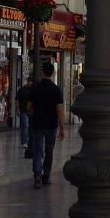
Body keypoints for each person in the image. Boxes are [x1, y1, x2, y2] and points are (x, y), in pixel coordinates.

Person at [27, 61, 65, 189]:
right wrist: (62, 127)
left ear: (42, 72)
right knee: (49, 151)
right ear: (53, 73)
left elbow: (29, 106)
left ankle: (37, 174)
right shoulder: (56, 90)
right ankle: (46, 176)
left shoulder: (35, 87)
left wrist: (32, 114)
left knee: (37, 150)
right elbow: (59, 109)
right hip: (51, 124)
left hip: (37, 123)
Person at [15, 76, 34, 149]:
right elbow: (17, 99)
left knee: (30, 126)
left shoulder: (33, 90)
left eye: (31, 81)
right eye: (29, 81)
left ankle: (29, 140)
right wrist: (17, 109)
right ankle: (24, 142)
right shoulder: (22, 90)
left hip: (31, 111)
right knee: (25, 125)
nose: (29, 83)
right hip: (23, 110)